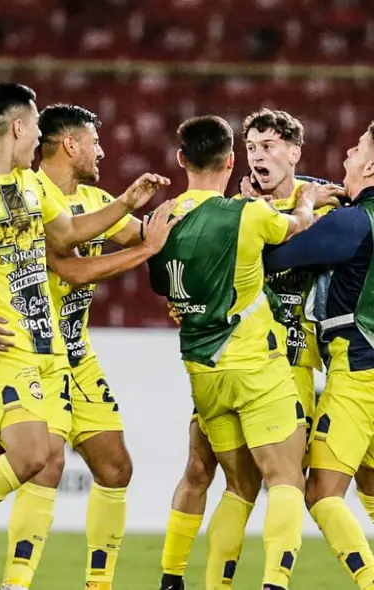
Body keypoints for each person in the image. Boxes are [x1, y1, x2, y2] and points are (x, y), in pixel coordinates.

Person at [0, 83, 169, 590]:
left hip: (50, 345)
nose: (39, 140)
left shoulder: (29, 184)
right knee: (31, 459)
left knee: (21, 460)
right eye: (36, 128)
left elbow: (67, 233)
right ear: (19, 126)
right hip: (2, 343)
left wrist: (128, 202)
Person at [147, 115, 333, 590]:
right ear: (232, 160)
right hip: (257, 368)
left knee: (238, 487)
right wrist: (307, 201)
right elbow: (296, 227)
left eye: (268, 146)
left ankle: (176, 580)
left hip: (207, 371)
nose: (258, 155)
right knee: (284, 479)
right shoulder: (245, 212)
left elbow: (167, 286)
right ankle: (273, 583)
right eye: (251, 147)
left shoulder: (165, 219)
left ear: (181, 159)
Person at [263, 121, 374, 589]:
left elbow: (274, 256)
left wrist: (298, 205)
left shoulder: (355, 222)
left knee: (323, 493)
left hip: (359, 371)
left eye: (357, 149)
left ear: (371, 167)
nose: (347, 154)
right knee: (370, 482)